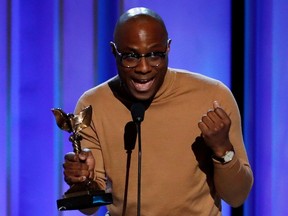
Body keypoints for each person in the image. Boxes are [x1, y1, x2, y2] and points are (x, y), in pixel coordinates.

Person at [63, 7, 253, 215]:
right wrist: (83, 181)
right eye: (130, 56)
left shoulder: (212, 97)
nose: (143, 68)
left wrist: (222, 150)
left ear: (168, 48)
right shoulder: (94, 105)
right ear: (113, 51)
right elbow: (90, 208)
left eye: (155, 55)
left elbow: (237, 197)